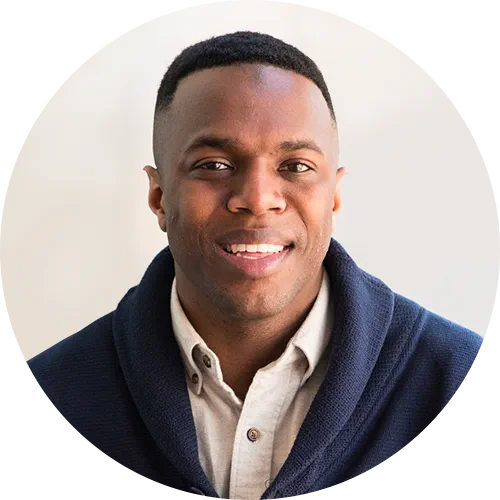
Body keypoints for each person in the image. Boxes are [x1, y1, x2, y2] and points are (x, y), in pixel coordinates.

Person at [7, 31, 498, 500]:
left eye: (296, 166)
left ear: (334, 196)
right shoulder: (38, 412)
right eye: (214, 165)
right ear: (158, 197)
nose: (258, 199)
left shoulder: (473, 394)